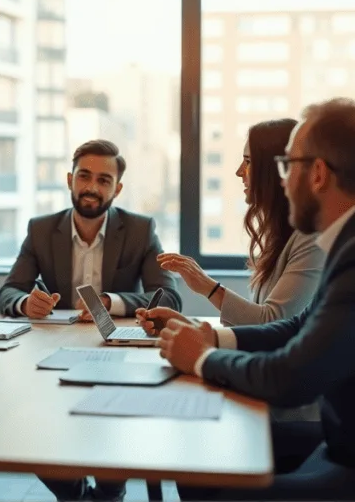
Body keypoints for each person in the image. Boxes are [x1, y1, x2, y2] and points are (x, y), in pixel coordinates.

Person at [157, 98, 355, 501]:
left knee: (211, 483)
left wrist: (201, 358)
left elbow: (291, 380)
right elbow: (300, 326)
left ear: (316, 174)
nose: (280, 181)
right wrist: (216, 338)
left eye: (287, 166)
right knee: (202, 465)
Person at [0, 139, 180, 502]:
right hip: (50, 354)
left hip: (116, 357)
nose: (92, 187)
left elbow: (169, 297)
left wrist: (112, 302)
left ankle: (110, 490)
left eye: (104, 180)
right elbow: (7, 293)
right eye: (84, 176)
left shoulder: (140, 230)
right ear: (69, 179)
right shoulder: (41, 229)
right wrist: (25, 305)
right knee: (26, 425)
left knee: (110, 422)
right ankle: (76, 492)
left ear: (118, 188)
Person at [136, 118, 325, 472]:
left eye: (249, 161)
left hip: (294, 415)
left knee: (192, 456)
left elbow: (276, 321)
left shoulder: (311, 239)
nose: (239, 171)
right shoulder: (282, 235)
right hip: (270, 399)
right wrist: (191, 326)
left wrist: (207, 288)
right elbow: (270, 324)